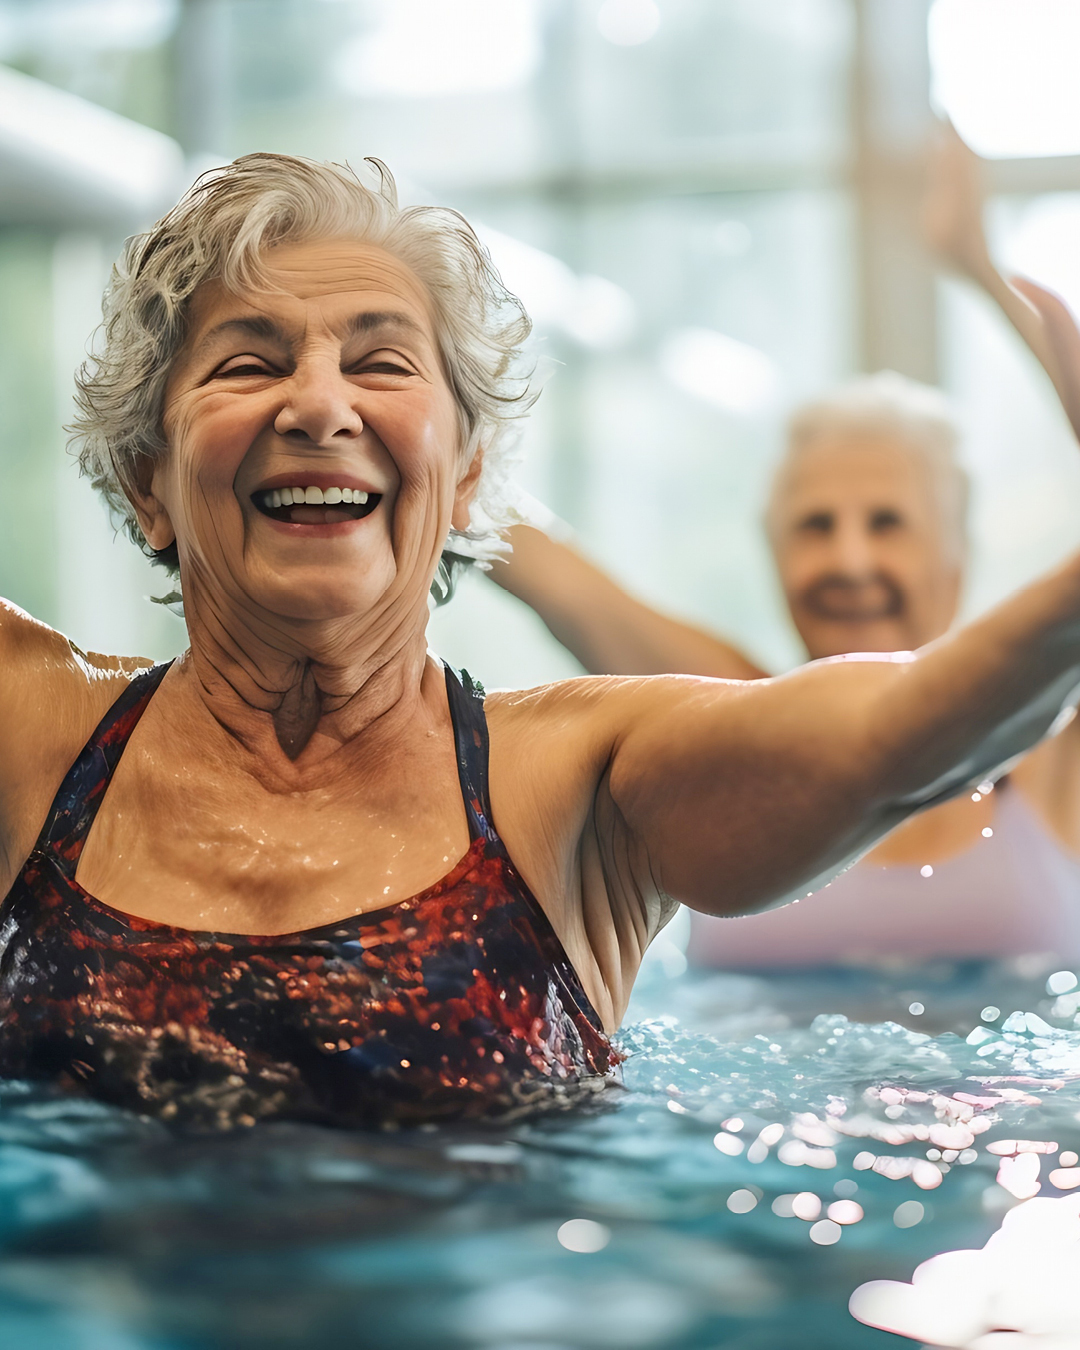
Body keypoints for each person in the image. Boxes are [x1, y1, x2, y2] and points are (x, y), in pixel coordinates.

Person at [1, 154, 1080, 1134]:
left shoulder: (576, 784)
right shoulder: (35, 740)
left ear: (469, 477)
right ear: (148, 480)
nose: (320, 403)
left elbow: (909, 733)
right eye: (246, 364)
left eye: (381, 363)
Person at [490, 133, 1080, 968]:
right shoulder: (726, 722)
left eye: (887, 525)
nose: (848, 560)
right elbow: (526, 551)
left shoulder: (1049, 752)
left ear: (954, 555)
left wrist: (982, 274)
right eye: (814, 526)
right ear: (771, 554)